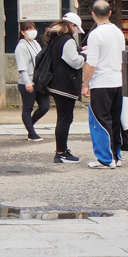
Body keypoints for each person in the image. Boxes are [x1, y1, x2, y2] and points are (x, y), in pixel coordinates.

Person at [83, 0, 127, 169]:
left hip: (101, 82)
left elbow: (92, 63)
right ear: (110, 13)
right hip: (117, 79)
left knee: (100, 121)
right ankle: (117, 155)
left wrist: (85, 84)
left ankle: (105, 159)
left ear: (93, 14)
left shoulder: (95, 34)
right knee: (115, 119)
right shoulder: (118, 32)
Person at [40, 12, 86, 163]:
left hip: (56, 83)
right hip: (65, 85)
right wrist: (84, 57)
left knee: (64, 118)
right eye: (76, 28)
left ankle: (62, 150)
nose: (76, 32)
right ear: (72, 25)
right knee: (65, 119)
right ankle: (60, 152)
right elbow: (74, 61)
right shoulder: (67, 40)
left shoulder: (56, 38)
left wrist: (78, 52)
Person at [15, 20, 49, 142]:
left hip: (38, 80)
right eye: (29, 29)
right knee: (28, 107)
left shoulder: (35, 43)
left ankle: (30, 124)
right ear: (23, 32)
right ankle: (31, 132)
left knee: (45, 106)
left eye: (33, 28)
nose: (32, 31)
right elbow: (22, 67)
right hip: (27, 81)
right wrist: (27, 82)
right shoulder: (21, 46)